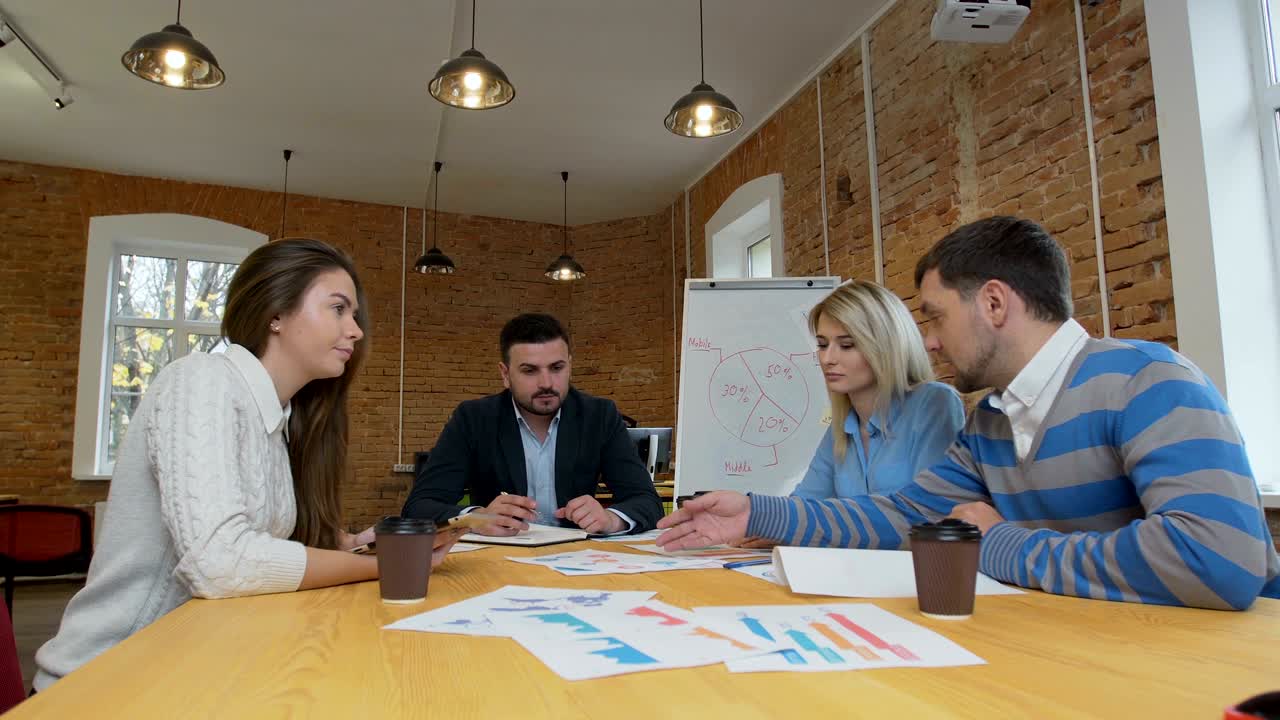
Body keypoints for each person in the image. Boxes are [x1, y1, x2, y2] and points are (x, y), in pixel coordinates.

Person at [657, 216, 1280, 611]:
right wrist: (756, 511)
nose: (926, 340)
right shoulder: (991, 422)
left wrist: (997, 543)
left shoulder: (1149, 381)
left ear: (994, 303)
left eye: (933, 315)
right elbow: (904, 515)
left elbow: (1217, 561)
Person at [35, 239, 460, 691]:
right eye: (338, 309)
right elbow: (220, 562)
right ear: (275, 314)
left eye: (354, 315)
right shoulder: (201, 380)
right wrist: (385, 566)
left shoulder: (281, 420)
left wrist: (353, 545)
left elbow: (257, 537)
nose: (355, 330)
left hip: (192, 670)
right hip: (104, 682)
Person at [402, 313, 663, 536]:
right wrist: (476, 518)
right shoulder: (473, 419)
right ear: (505, 374)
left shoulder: (600, 415)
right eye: (530, 371)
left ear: (570, 366)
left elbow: (647, 502)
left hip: (577, 560)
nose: (546, 383)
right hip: (499, 561)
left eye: (557, 368)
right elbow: (419, 506)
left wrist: (611, 519)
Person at [792, 280, 963, 500]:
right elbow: (802, 505)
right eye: (823, 345)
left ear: (886, 346)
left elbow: (929, 512)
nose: (827, 359)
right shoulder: (841, 428)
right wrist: (754, 517)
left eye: (847, 345)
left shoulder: (933, 404)